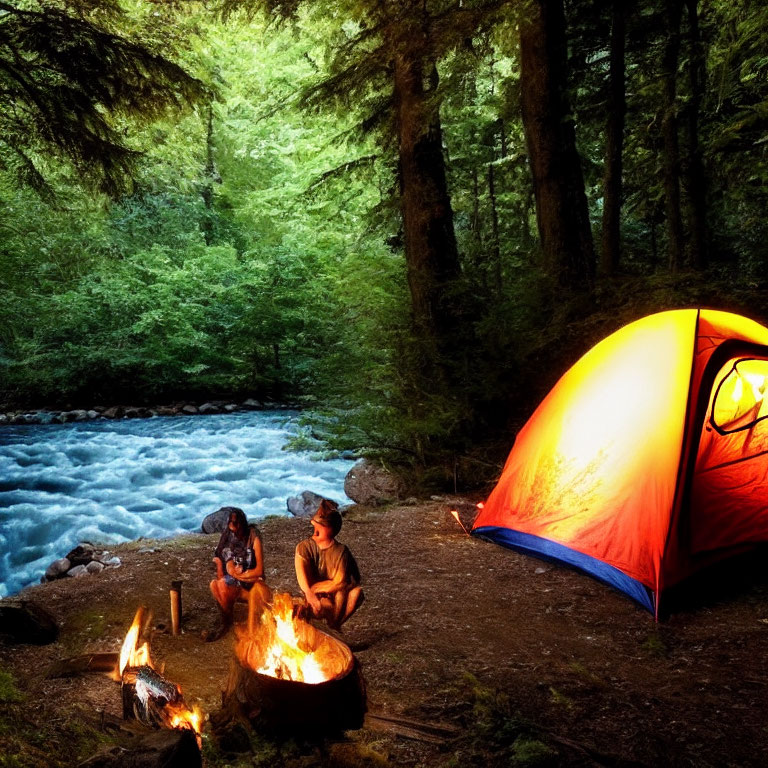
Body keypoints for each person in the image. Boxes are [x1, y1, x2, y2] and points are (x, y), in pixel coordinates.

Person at [294, 499, 363, 630]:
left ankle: (334, 625)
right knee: (325, 603)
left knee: (353, 593)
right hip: (315, 596)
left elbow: (339, 581)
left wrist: (318, 587)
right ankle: (328, 626)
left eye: (319, 527)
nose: (315, 531)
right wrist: (310, 592)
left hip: (335, 593)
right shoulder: (304, 547)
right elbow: (301, 574)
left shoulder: (341, 551)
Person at [207, 507, 271, 640]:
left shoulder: (253, 537)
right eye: (231, 523)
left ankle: (251, 631)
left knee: (224, 585)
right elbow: (220, 551)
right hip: (236, 578)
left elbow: (259, 571)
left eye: (236, 524)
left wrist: (241, 575)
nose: (233, 528)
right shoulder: (229, 533)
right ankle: (227, 620)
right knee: (216, 585)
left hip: (252, 580)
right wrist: (229, 562)